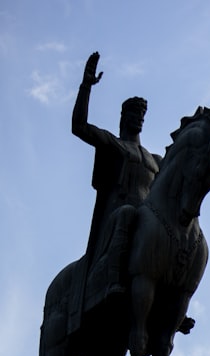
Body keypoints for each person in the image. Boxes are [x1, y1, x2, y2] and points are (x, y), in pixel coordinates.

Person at [69, 51, 162, 328]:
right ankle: (111, 281)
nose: (138, 119)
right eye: (134, 114)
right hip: (117, 216)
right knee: (127, 214)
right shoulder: (113, 144)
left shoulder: (155, 160)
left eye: (141, 115)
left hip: (145, 216)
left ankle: (169, 303)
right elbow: (79, 127)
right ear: (123, 117)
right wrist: (86, 86)